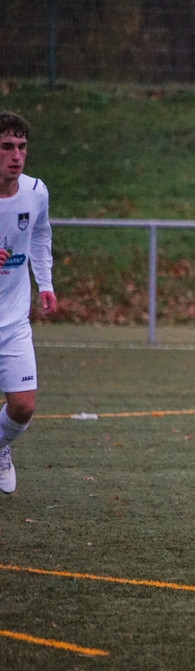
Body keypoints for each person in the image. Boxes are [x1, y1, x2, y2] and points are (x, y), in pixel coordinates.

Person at [0, 111, 58, 495]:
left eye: (21, 147)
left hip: (13, 322)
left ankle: (0, 447)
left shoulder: (36, 192)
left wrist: (45, 283)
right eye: (7, 147)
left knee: (23, 407)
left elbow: (39, 235)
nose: (16, 155)